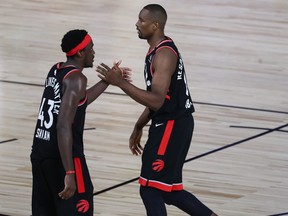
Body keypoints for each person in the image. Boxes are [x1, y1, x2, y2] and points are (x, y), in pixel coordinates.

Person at [96, 4, 218, 216]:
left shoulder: (163, 55)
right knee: (169, 192)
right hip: (174, 123)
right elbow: (159, 99)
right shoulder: (157, 51)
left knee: (150, 189)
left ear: (155, 25)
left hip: (171, 125)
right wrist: (139, 125)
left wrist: (120, 83)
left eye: (142, 20)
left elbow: (157, 101)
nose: (137, 24)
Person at [30, 29, 129, 215]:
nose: (94, 52)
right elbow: (63, 126)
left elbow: (77, 103)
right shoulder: (77, 79)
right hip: (65, 158)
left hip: (40, 153)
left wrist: (108, 81)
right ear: (81, 53)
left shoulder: (56, 70)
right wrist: (69, 173)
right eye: (91, 48)